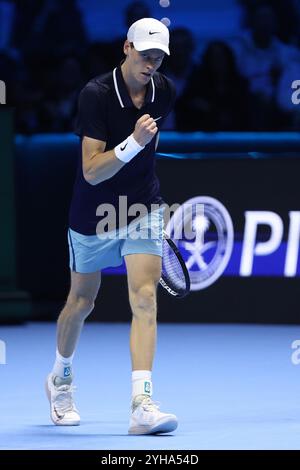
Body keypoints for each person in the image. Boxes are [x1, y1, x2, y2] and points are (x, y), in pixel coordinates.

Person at [46, 18, 178, 435]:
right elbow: (90, 171)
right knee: (81, 303)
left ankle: (142, 404)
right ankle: (60, 379)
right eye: (144, 54)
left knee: (144, 298)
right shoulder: (96, 95)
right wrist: (133, 142)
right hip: (92, 215)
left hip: (140, 208)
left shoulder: (164, 91)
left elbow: (149, 156)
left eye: (158, 56)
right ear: (126, 48)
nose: (151, 63)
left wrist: (146, 191)